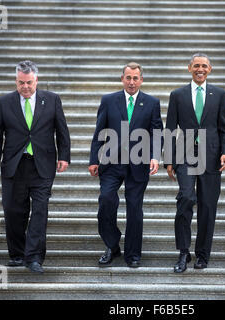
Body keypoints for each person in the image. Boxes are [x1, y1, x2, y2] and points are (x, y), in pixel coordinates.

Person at [0, 60, 71, 274]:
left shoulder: (51, 100)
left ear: (37, 80)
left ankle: (34, 258)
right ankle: (17, 254)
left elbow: (62, 131)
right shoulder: (4, 102)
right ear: (16, 81)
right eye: (21, 83)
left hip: (42, 165)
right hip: (14, 165)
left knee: (40, 210)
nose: (25, 87)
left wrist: (64, 156)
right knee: (13, 210)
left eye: (29, 82)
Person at [89, 62, 163, 268]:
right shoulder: (109, 100)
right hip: (112, 163)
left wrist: (155, 156)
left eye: (135, 78)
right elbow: (99, 132)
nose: (132, 82)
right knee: (105, 200)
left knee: (134, 208)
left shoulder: (151, 103)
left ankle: (133, 254)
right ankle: (112, 245)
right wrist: (94, 159)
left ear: (141, 80)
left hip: (138, 164)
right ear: (122, 78)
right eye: (128, 78)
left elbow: (157, 133)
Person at [164, 53, 225, 273]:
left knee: (207, 205)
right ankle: (183, 252)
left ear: (210, 69)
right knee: (185, 197)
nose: (200, 69)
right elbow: (170, 129)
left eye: (204, 66)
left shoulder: (219, 94)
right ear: (189, 68)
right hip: (185, 155)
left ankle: (202, 254)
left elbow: (224, 129)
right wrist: (169, 161)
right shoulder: (178, 95)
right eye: (196, 66)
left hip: (211, 156)